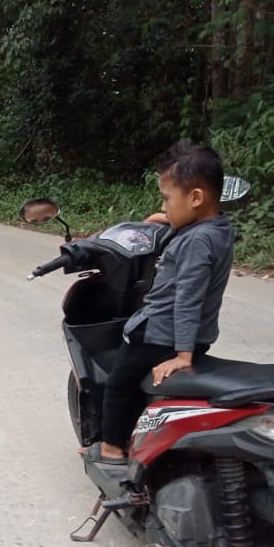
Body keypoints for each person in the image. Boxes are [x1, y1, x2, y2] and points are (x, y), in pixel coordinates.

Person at [88, 142, 235, 466]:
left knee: (117, 384)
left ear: (195, 198)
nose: (163, 205)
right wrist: (168, 221)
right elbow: (192, 245)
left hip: (161, 335)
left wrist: (181, 355)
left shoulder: (196, 240)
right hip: (196, 336)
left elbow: (187, 298)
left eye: (167, 199)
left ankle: (112, 447)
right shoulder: (216, 229)